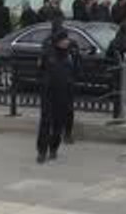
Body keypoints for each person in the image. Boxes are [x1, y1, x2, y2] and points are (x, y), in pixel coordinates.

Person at [36, 28, 76, 164]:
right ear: (58, 41)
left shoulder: (69, 55)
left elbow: (74, 71)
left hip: (63, 93)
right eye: (64, 39)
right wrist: (45, 83)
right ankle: (42, 151)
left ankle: (53, 148)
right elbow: (40, 71)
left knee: (58, 122)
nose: (67, 41)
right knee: (46, 121)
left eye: (67, 39)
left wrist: (70, 84)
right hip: (48, 92)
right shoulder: (47, 54)